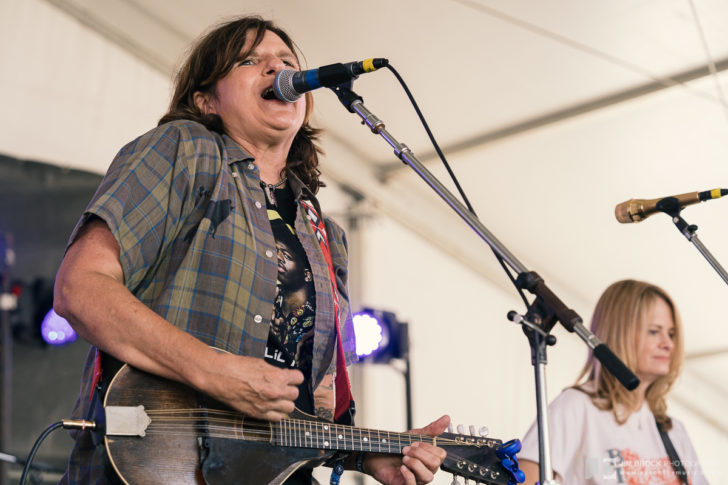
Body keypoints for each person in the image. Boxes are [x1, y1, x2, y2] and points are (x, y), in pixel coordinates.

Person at [54, 15, 449, 485]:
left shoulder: (324, 233)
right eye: (250, 60)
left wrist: (363, 456)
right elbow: (80, 287)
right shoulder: (185, 149)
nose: (276, 68)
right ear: (206, 99)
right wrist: (215, 372)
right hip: (159, 464)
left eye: (286, 61)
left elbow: (306, 404)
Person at [518, 279, 708, 485]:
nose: (668, 343)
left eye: (671, 334)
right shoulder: (576, 407)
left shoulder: (673, 431)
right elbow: (525, 479)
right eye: (654, 331)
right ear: (620, 332)